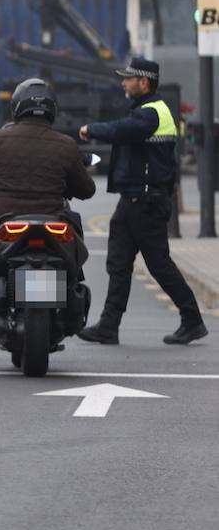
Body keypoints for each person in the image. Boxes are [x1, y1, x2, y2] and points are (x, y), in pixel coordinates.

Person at [0, 78, 96, 370]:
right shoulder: (66, 145)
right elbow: (87, 189)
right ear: (52, 109)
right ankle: (71, 305)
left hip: (5, 223)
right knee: (74, 269)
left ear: (16, 108)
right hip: (54, 222)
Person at [77, 58, 208, 345]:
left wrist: (93, 129)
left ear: (144, 82)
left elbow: (122, 130)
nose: (123, 83)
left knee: (158, 264)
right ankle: (108, 327)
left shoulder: (152, 114)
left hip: (148, 202)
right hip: (132, 201)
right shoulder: (143, 111)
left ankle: (193, 320)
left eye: (128, 79)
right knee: (118, 262)